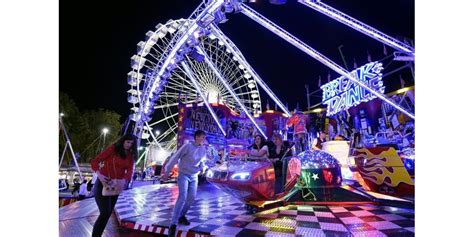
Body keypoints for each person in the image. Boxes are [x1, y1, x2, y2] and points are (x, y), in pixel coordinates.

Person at [163, 130, 208, 237]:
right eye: (202, 137)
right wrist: (167, 171)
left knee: (191, 197)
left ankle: (181, 216)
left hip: (194, 176)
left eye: (204, 137)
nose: (203, 139)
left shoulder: (203, 149)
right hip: (183, 174)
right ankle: (173, 224)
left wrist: (202, 168)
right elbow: (175, 157)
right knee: (182, 196)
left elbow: (202, 161)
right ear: (196, 137)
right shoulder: (187, 146)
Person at [90, 134, 136, 237]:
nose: (129, 145)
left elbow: (130, 171)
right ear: (123, 141)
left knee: (107, 214)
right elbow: (95, 161)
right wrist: (100, 175)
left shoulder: (130, 156)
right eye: (127, 142)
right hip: (103, 183)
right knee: (105, 212)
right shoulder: (113, 149)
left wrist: (124, 181)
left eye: (131, 143)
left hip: (116, 186)